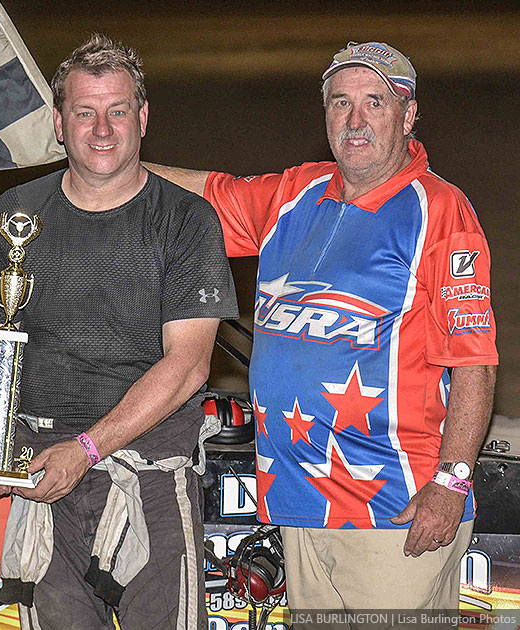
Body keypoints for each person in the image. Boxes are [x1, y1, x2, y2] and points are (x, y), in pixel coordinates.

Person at [145, 41, 497, 618]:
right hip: (298, 502)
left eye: (374, 103)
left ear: (407, 116)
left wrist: (452, 482)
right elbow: (203, 194)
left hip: (394, 509)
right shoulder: (295, 193)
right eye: (341, 104)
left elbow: (474, 362)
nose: (355, 121)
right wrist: (106, 159)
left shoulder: (440, 211)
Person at [0, 34, 237, 629]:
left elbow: (190, 365)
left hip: (150, 476)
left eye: (117, 111)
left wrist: (88, 449)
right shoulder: (15, 213)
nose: (102, 129)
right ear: (59, 123)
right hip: (44, 476)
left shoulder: (186, 219)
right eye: (84, 112)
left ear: (142, 118)